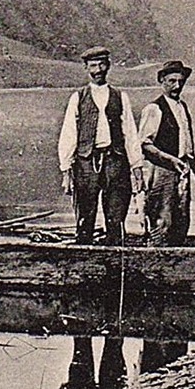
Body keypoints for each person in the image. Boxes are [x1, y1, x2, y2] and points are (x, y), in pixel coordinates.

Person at [57, 46, 144, 245]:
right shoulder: (78, 98)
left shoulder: (121, 97)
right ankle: (84, 254)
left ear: (109, 66)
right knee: (85, 214)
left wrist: (137, 168)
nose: (98, 70)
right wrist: (66, 171)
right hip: (86, 163)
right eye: (93, 66)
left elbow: (130, 134)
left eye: (102, 65)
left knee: (116, 214)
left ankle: (113, 254)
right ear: (86, 68)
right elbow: (69, 135)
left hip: (115, 161)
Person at [138, 59, 195, 246]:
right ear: (162, 81)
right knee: (162, 217)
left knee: (181, 217)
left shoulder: (182, 107)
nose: (177, 86)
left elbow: (188, 147)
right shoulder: (154, 109)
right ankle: (155, 254)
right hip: (161, 172)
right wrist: (170, 160)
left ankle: (175, 256)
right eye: (172, 81)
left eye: (181, 81)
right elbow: (145, 145)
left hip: (182, 170)